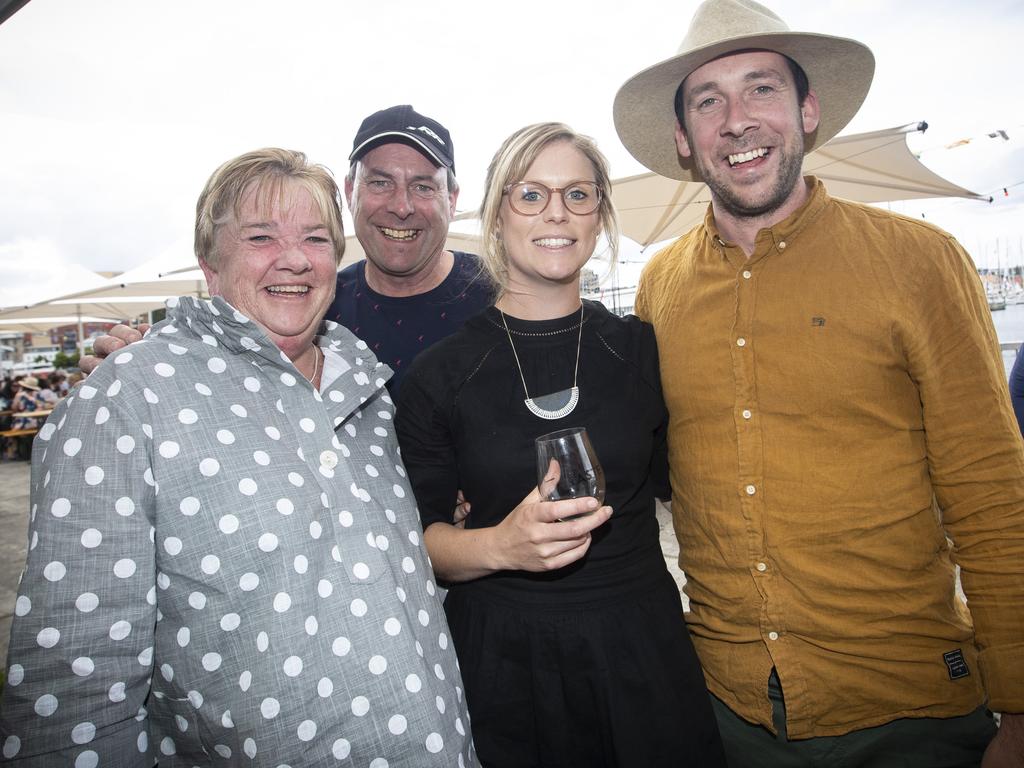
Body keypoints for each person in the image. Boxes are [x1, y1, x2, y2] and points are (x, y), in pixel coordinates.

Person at [613, 1, 1024, 766]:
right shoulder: (658, 286)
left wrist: (1023, 708)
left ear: (807, 110)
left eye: (761, 89)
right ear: (683, 139)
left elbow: (993, 496)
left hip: (910, 713)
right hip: (722, 709)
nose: (737, 121)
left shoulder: (922, 261)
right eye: (708, 101)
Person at [0, 148, 476, 766]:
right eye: (260, 236)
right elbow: (74, 692)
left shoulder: (366, 385)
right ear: (209, 265)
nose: (295, 258)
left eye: (315, 237)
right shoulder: (133, 395)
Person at [395, 122, 725, 767]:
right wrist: (499, 544)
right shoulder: (438, 375)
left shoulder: (642, 352)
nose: (557, 213)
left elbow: (694, 485)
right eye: (531, 195)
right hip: (502, 662)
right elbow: (420, 546)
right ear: (495, 217)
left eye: (578, 195)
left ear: (599, 217)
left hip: (643, 651)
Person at [81, 105, 493, 394]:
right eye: (380, 182)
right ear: (350, 192)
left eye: (423, 186)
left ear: (452, 198)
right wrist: (135, 364)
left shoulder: (507, 296)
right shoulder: (310, 300)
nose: (401, 206)